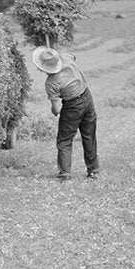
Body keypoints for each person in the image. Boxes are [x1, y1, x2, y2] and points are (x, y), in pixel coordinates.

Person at [32, 46, 99, 181]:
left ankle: (65, 175)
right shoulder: (66, 59)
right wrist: (57, 54)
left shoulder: (51, 83)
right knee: (89, 136)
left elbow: (56, 110)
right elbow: (72, 55)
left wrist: (53, 109)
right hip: (87, 98)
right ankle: (93, 171)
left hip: (72, 106)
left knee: (64, 140)